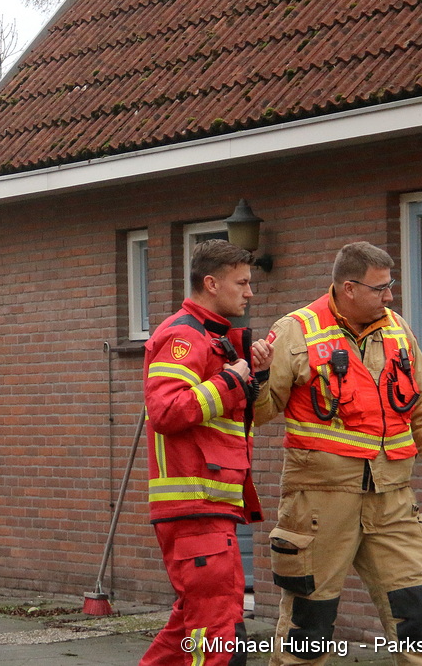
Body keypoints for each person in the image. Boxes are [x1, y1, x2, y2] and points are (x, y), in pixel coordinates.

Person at [252, 241, 422, 666]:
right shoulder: (295, 331)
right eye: (380, 288)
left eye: (390, 287)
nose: (390, 297)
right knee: (308, 631)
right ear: (348, 288)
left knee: (420, 621)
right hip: (319, 503)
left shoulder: (397, 330)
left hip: (392, 500)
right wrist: (256, 376)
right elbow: (259, 414)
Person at [140, 239, 274, 666]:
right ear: (212, 283)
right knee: (215, 632)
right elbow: (166, 411)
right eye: (243, 282)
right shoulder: (183, 336)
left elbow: (227, 421)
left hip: (209, 505)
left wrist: (254, 373)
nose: (250, 292)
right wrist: (232, 381)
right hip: (195, 507)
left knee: (191, 625)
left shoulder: (215, 339)